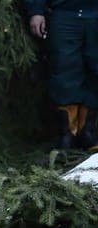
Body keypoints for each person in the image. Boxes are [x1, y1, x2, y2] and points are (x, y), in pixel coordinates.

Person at [25, 0, 98, 151]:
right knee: (64, 69)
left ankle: (87, 132)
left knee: (95, 69)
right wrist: (36, 12)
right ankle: (68, 134)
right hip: (63, 13)